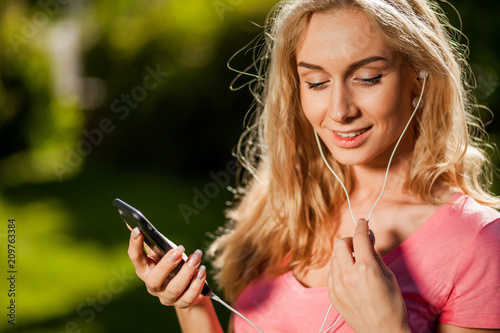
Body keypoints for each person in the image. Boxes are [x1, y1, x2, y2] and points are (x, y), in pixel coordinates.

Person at [127, 0, 500, 332]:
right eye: (317, 82)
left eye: (367, 78)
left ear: (418, 78)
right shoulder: (285, 208)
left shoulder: (479, 243)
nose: (340, 110)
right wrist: (191, 304)